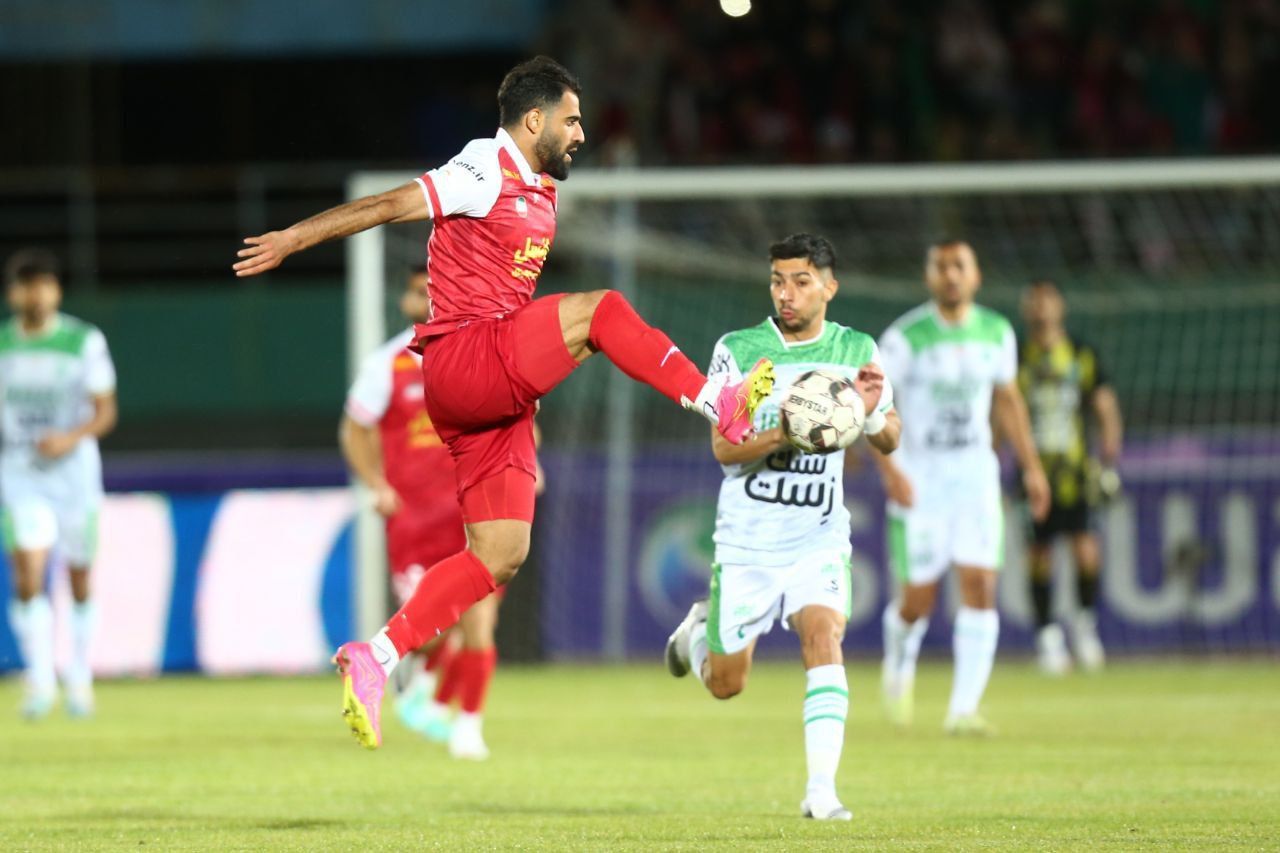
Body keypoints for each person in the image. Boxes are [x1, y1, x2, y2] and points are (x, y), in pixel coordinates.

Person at [233, 56, 775, 749]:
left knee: (499, 554)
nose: (581, 133)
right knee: (601, 311)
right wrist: (293, 238)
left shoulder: (539, 192)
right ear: (533, 119)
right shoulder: (483, 166)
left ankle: (377, 657)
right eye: (571, 121)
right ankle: (718, 401)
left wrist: (524, 385)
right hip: (465, 359)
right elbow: (389, 205)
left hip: (488, 396)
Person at [665, 234, 900, 821]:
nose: (786, 294)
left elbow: (892, 436)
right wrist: (787, 432)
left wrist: (870, 411)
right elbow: (724, 447)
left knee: (824, 637)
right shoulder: (743, 352)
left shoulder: (855, 350)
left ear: (829, 287)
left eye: (800, 281)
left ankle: (821, 793)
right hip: (747, 544)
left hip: (818, 536)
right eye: (777, 281)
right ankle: (697, 635)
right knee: (727, 684)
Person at [874, 240, 1049, 736]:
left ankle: (963, 709)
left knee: (981, 586)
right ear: (929, 277)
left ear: (976, 276)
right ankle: (899, 656)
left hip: (975, 479)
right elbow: (871, 407)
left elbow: (1008, 401)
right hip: (920, 481)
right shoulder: (904, 338)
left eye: (959, 266)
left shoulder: (996, 332)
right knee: (918, 601)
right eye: (941, 267)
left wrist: (1032, 468)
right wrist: (891, 472)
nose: (950, 275)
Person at [340, 268, 507, 759]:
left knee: (479, 619)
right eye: (420, 292)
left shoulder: (481, 353)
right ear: (407, 303)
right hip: (414, 519)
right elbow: (354, 429)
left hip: (472, 508)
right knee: (433, 621)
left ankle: (468, 726)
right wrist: (376, 483)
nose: (430, 300)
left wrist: (529, 461)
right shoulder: (386, 364)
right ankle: (418, 684)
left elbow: (518, 411)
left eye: (437, 291)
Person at [1, 249, 117, 719]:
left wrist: (68, 438)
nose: (35, 294)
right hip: (20, 473)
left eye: (43, 284)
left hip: (74, 476)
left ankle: (79, 676)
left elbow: (105, 411)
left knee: (79, 576)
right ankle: (41, 679)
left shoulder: (83, 341)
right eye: (26, 285)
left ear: (56, 290)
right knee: (28, 574)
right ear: (13, 293)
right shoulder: (3, 345)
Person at [1018, 280, 1122, 674]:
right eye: (1034, 301)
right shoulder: (1017, 357)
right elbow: (1002, 408)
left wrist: (1109, 455)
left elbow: (1104, 404)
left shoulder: (1081, 353)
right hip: (1032, 473)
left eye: (1047, 301)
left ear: (1060, 307)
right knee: (1039, 554)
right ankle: (1047, 635)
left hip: (1076, 472)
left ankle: (1084, 626)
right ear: (1026, 309)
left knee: (1086, 549)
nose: (1041, 308)